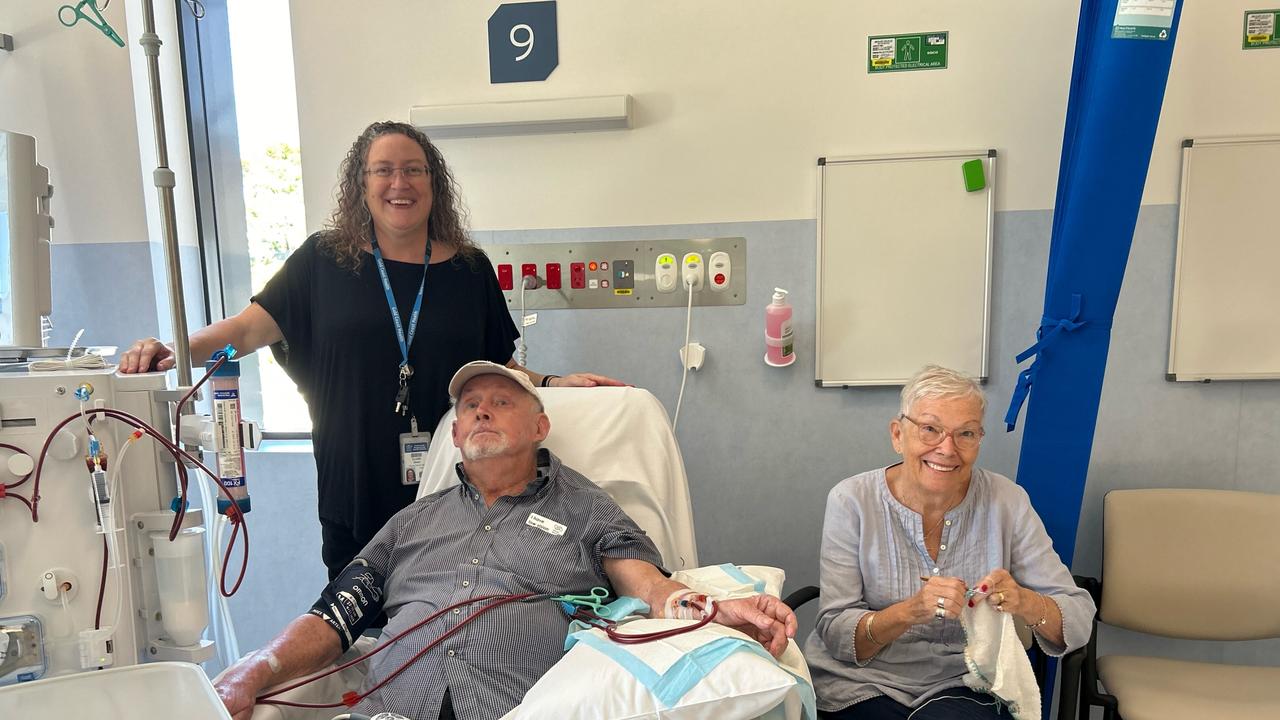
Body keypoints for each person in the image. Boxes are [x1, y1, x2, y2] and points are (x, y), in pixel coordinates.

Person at [119, 121, 622, 579]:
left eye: (413, 170)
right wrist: (172, 349)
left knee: (447, 613)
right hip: (353, 483)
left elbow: (496, 368)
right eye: (383, 170)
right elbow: (247, 331)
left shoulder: (470, 270)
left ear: (434, 182)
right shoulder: (321, 261)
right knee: (359, 629)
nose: (399, 184)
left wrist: (556, 383)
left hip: (455, 483)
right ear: (361, 184)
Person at [214, 361, 797, 720]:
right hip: (388, 710)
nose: (482, 413)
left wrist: (713, 610)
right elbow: (332, 616)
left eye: (501, 402)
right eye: (470, 407)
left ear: (540, 427)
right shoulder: (411, 522)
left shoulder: (585, 506)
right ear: (457, 432)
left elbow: (647, 584)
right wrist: (255, 670)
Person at [802, 365, 1095, 719]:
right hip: (862, 683)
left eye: (965, 434)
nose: (947, 448)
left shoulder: (1007, 501)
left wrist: (1026, 601)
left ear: (979, 441)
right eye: (930, 429)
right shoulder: (852, 500)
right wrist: (911, 611)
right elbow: (835, 630)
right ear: (898, 434)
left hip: (967, 683)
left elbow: (1079, 620)